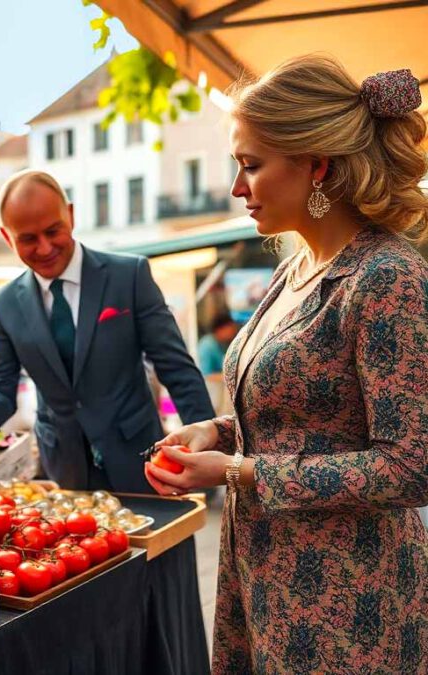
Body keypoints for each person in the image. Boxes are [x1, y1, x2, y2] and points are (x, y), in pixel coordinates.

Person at [144, 56, 428, 673]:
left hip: (350, 605)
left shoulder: (388, 277)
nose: (237, 187)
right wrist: (215, 433)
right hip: (268, 578)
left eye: (251, 165)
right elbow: (299, 411)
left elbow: (411, 466)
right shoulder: (292, 271)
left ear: (316, 164)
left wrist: (241, 471)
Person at [0, 169, 215, 492]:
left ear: (71, 216)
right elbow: (0, 392)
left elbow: (176, 368)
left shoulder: (129, 276)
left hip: (143, 464)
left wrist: (209, 441)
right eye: (28, 239)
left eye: (53, 231)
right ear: (8, 238)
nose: (45, 248)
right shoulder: (3, 304)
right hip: (65, 476)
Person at [197, 311, 238, 377]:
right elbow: (206, 375)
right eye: (231, 328)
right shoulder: (207, 346)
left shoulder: (224, 344)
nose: (234, 331)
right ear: (221, 329)